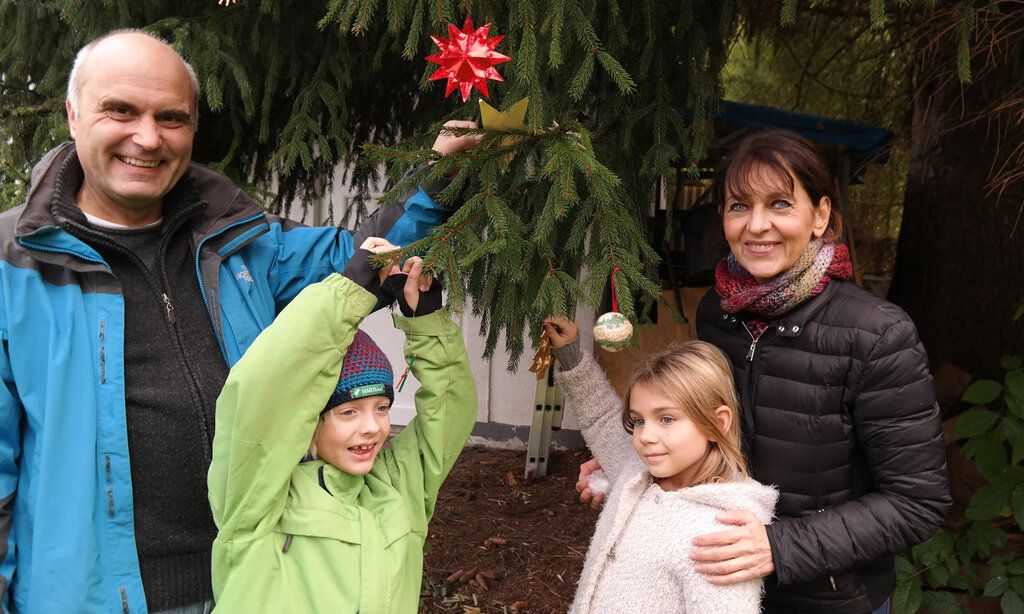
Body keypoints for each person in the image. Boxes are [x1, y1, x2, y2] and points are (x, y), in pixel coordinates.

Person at [0, 29, 479, 614]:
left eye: (170, 117)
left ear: (192, 129)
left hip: (258, 583)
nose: (147, 137)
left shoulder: (244, 245)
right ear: (74, 115)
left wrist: (440, 178)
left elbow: (362, 261)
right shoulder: (12, 263)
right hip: (91, 598)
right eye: (120, 110)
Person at [576, 129, 951, 614]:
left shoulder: (876, 334)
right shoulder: (717, 313)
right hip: (712, 585)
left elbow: (916, 502)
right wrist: (636, 462)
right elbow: (710, 429)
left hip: (824, 599)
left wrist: (780, 547)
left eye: (779, 204)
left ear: (820, 216)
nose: (757, 226)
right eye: (739, 206)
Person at [208, 241, 476, 613]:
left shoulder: (398, 487)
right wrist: (348, 292)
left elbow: (449, 412)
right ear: (308, 420)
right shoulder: (259, 495)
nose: (371, 427)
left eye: (381, 408)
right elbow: (263, 387)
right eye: (348, 412)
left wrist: (426, 323)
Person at [542, 316, 777, 614]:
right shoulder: (636, 471)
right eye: (638, 420)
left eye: (666, 419)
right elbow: (602, 418)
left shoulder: (724, 533)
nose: (645, 437)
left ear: (716, 423)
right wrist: (570, 354)